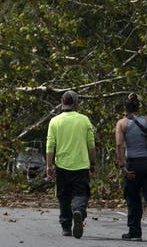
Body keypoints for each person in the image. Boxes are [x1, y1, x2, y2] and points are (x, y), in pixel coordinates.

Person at [115, 93, 147, 245]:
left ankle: (134, 232)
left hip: (133, 164)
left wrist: (122, 165)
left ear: (125, 108)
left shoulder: (122, 124)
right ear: (138, 107)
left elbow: (119, 145)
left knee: (132, 198)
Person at [46, 90, 96, 239]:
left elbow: (50, 145)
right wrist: (93, 163)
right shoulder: (84, 120)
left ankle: (66, 227)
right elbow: (91, 145)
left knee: (64, 196)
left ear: (62, 104)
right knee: (81, 193)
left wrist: (49, 165)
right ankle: (79, 211)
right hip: (81, 165)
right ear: (76, 103)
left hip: (62, 166)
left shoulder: (54, 121)